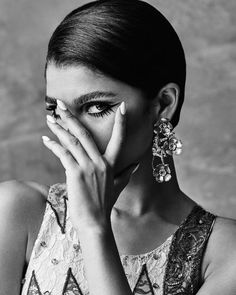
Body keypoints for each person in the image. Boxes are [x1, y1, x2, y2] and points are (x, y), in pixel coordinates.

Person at [0, 0, 236, 294]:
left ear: (163, 104)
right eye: (57, 111)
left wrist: (93, 227)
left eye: (97, 107)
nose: (74, 132)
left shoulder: (225, 253)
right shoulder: (17, 213)